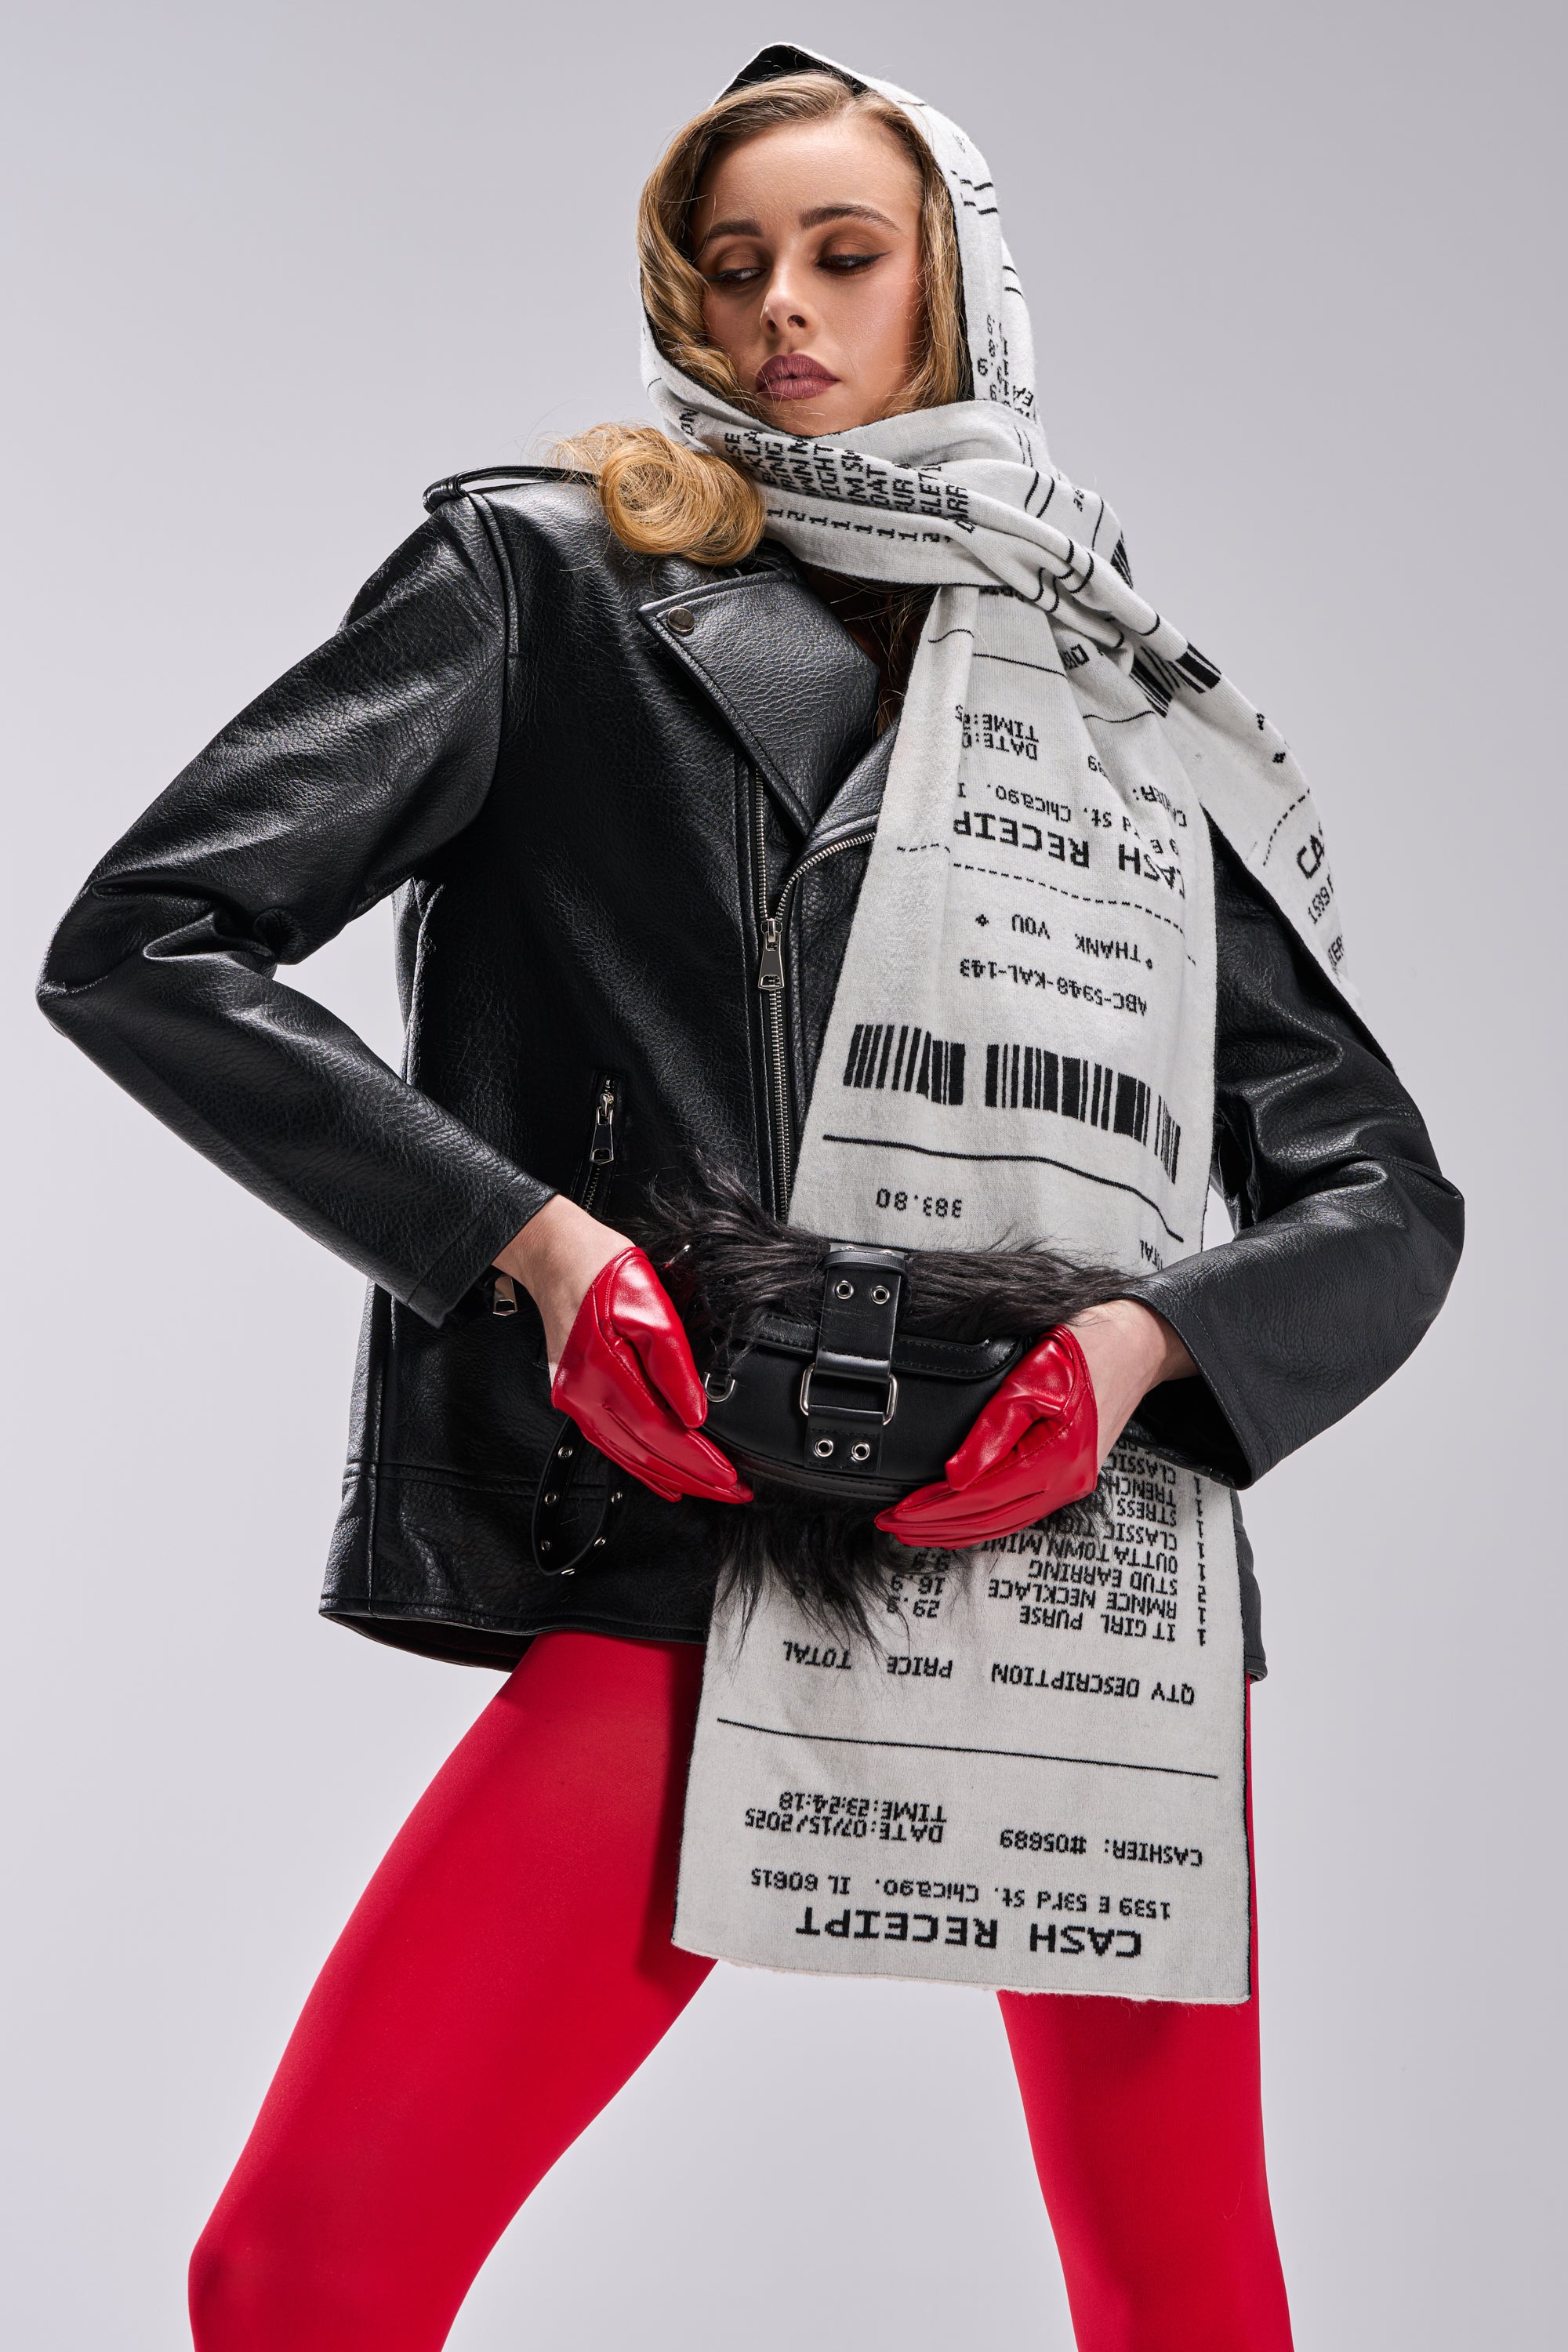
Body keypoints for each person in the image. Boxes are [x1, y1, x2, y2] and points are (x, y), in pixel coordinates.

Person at [38, 43, 1462, 2352]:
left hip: (1084, 1567)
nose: (781, 306)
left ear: (950, 288)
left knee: (1187, 2303)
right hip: (707, 1497)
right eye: (730, 264)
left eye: (843, 254)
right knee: (302, 2276)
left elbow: (1380, 1188)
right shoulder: (549, 577)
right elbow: (148, 942)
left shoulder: (1117, 693)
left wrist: (1137, 1348)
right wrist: (536, 1247)